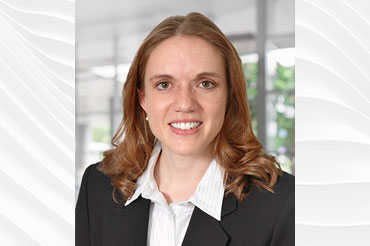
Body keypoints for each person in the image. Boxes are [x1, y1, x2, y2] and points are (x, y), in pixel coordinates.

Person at [76, 12, 294, 246]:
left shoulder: (284, 204)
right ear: (142, 99)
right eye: (164, 85)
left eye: (205, 84)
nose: (185, 104)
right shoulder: (97, 187)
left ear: (229, 95)